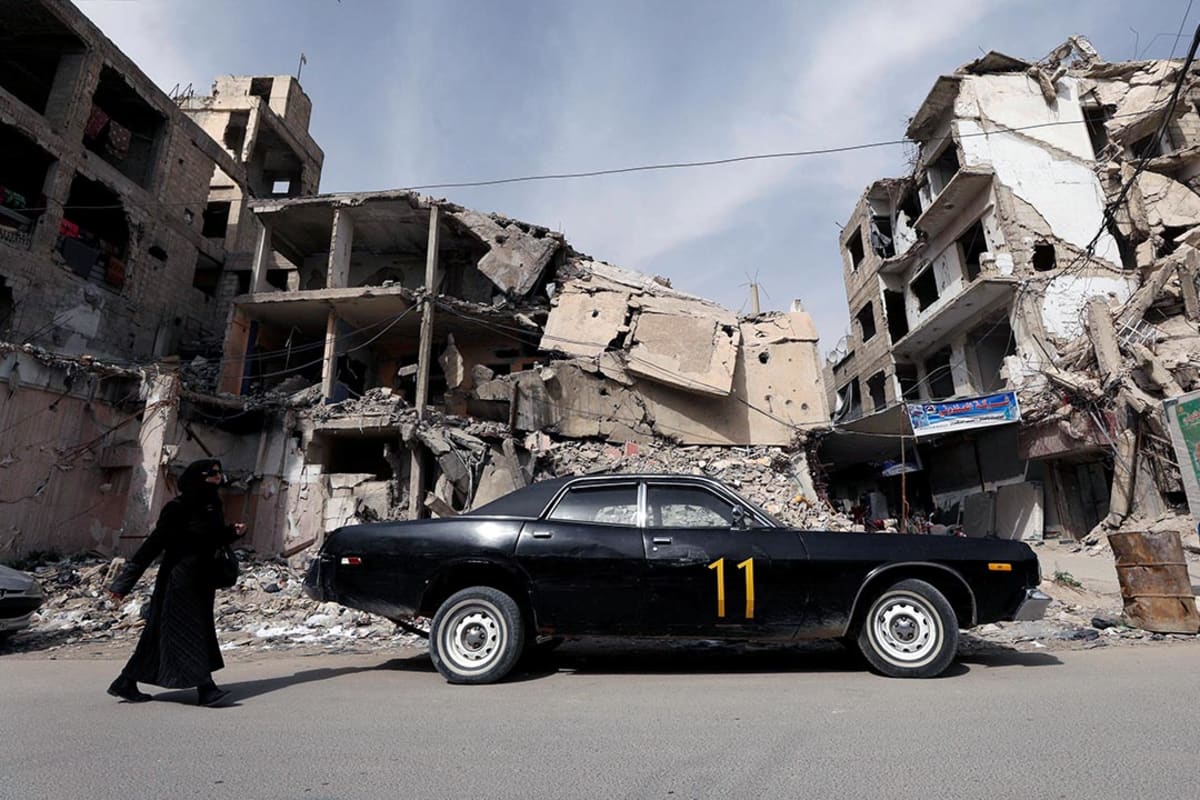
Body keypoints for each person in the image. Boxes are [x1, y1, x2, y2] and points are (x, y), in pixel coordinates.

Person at [107, 459, 246, 706]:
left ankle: (125, 682)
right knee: (188, 633)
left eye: (218, 472)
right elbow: (153, 545)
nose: (217, 477)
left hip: (203, 580)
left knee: (159, 635)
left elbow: (210, 540)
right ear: (197, 478)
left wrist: (232, 533)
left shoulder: (212, 505)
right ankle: (206, 689)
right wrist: (123, 584)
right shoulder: (178, 508)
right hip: (178, 581)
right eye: (211, 473)